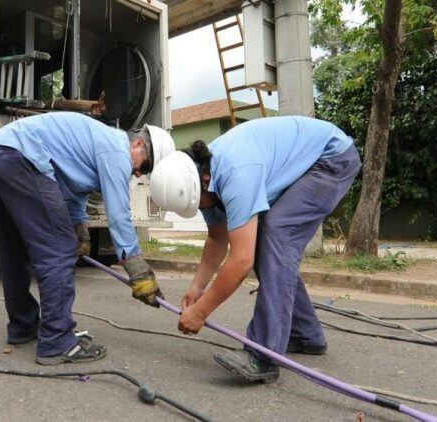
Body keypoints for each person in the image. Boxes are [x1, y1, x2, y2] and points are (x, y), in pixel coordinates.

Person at [149, 116, 361, 382]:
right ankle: (305, 334)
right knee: (269, 243)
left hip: (331, 158)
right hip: (311, 159)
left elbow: (240, 262)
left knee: (276, 234)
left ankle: (265, 355)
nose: (203, 209)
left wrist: (201, 312)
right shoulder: (202, 179)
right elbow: (217, 238)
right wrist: (196, 288)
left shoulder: (236, 174)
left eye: (199, 204)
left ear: (204, 180)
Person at [0, 111, 174, 365]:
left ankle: (23, 326)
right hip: (21, 157)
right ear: (139, 144)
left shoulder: (98, 143)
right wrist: (138, 271)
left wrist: (80, 231)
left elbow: (72, 190)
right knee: (59, 250)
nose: (139, 174)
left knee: (13, 250)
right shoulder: (117, 151)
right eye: (145, 166)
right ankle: (57, 340)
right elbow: (118, 214)